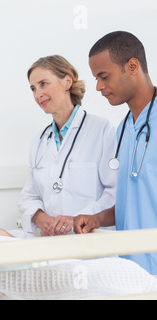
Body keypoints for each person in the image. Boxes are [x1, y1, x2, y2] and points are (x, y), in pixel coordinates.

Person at [74, 31, 157, 275]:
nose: (98, 87)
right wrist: (98, 219)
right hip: (132, 270)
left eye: (104, 76)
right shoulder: (123, 129)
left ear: (132, 66)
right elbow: (135, 202)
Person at [18, 55, 117, 236]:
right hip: (53, 242)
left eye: (43, 84)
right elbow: (28, 198)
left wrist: (78, 218)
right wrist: (43, 219)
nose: (37, 94)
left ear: (67, 82)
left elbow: (114, 192)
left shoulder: (101, 130)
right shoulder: (39, 141)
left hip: (92, 240)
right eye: (33, 88)